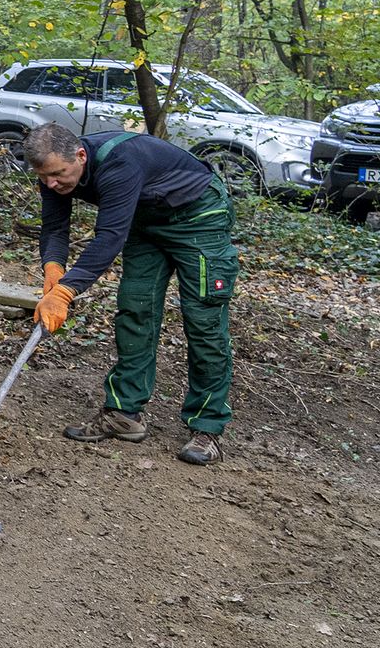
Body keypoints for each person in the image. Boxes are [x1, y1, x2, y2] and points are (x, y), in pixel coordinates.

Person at [24, 122, 234, 466]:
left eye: (58, 174)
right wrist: (53, 267)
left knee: (203, 321)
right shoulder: (52, 170)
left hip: (199, 216)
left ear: (80, 155)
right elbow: (54, 227)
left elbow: (109, 237)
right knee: (135, 310)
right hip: (146, 219)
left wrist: (65, 293)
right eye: (44, 177)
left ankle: (207, 427)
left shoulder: (119, 164)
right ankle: (125, 414)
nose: (51, 183)